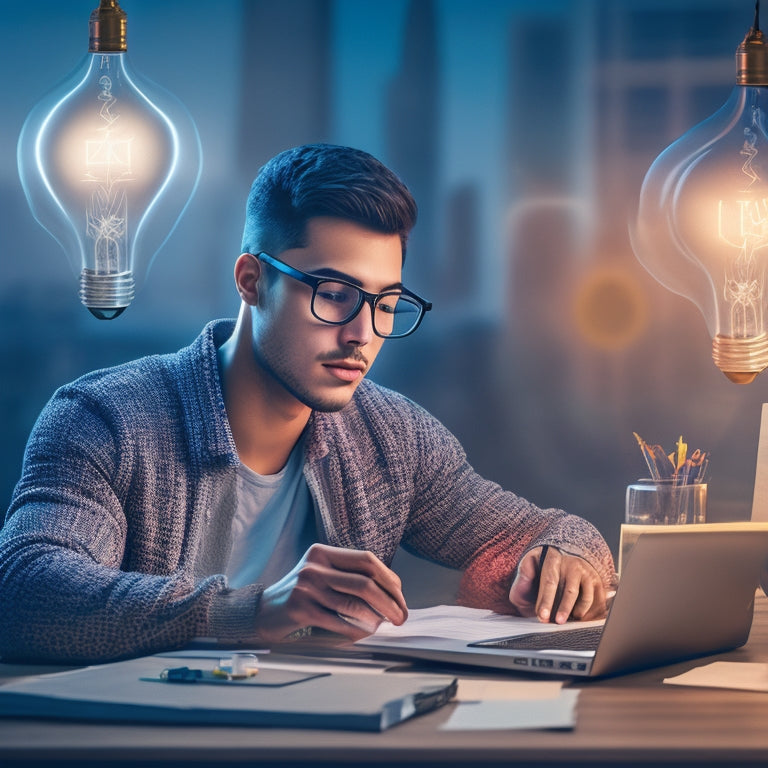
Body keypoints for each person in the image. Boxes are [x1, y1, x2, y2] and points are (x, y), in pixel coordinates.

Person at [0, 144, 616, 664]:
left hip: (329, 734)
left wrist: (567, 555)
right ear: (250, 280)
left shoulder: (391, 437)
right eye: (333, 293)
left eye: (384, 302)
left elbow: (541, 532)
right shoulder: (106, 420)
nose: (361, 333)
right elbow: (24, 590)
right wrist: (253, 612)